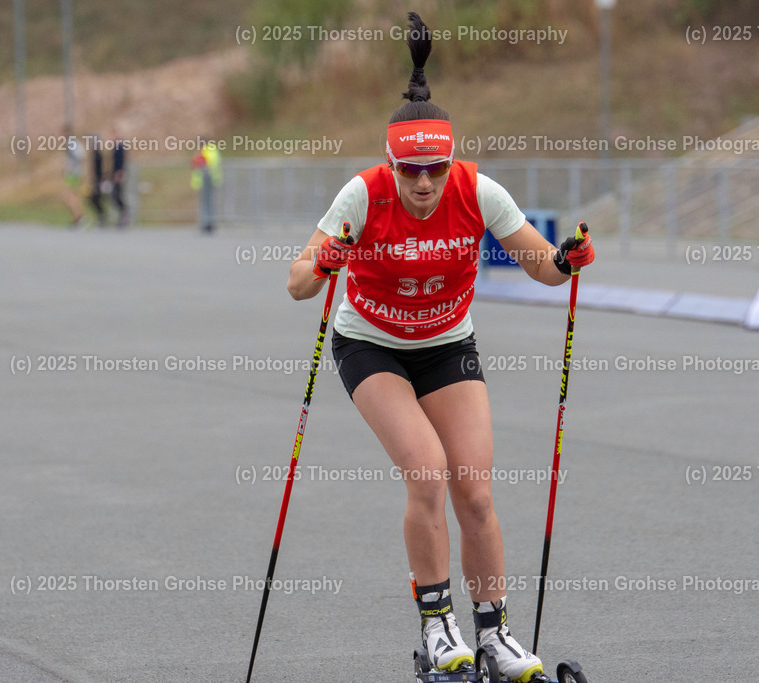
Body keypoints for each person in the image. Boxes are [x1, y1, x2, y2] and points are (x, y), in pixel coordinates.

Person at [286, 13, 594, 682]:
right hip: (370, 345)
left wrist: (567, 261)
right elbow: (298, 283)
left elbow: (542, 265)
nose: (422, 184)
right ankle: (437, 628)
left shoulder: (478, 191)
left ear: (450, 163)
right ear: (390, 163)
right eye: (409, 170)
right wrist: (328, 259)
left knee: (475, 492)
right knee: (425, 469)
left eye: (434, 169)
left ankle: (497, 635)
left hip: (446, 344)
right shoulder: (363, 195)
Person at [190, 138, 222, 234]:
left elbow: (204, 164)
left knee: (207, 202)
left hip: (208, 179)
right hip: (208, 179)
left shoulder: (208, 151)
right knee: (208, 202)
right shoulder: (211, 151)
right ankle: (208, 222)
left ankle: (208, 223)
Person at [61, 125, 85, 227]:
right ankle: (77, 217)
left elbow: (79, 156)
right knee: (71, 196)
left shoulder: (72, 143)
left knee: (68, 196)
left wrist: (72, 168)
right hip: (72, 173)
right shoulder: (71, 143)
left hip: (73, 174)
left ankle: (79, 216)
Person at [109, 127, 128, 227]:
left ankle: (124, 214)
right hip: (115, 174)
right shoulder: (116, 146)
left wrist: (119, 173)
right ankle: (122, 215)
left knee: (116, 195)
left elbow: (120, 161)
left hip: (118, 174)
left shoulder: (119, 146)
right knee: (115, 196)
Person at [88, 133, 107, 228]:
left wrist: (98, 181)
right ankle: (101, 216)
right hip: (96, 180)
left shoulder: (98, 154)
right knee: (93, 199)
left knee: (95, 199)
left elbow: (100, 170)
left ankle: (102, 217)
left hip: (98, 180)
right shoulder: (95, 154)